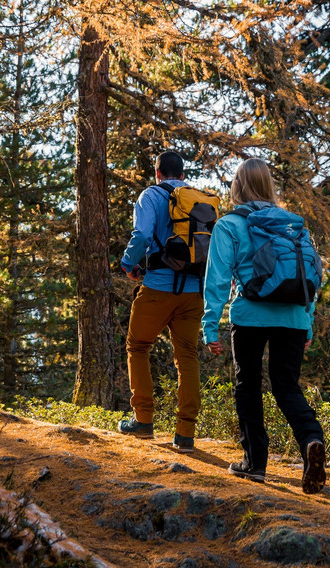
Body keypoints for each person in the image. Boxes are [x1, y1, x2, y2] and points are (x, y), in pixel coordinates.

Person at [202, 157, 327, 494]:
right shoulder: (295, 226)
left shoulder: (229, 225)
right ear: (269, 186)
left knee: (248, 384)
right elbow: (309, 276)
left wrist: (209, 326)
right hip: (293, 316)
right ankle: (311, 440)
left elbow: (216, 280)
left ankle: (254, 463)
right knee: (287, 387)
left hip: (251, 314)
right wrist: (308, 325)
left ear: (238, 186)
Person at [118, 150, 204, 454]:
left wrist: (128, 264)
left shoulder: (150, 196)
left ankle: (143, 420)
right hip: (194, 290)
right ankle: (185, 434)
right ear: (181, 175)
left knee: (138, 346)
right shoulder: (196, 199)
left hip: (157, 287)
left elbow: (141, 235)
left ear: (157, 173)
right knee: (187, 356)